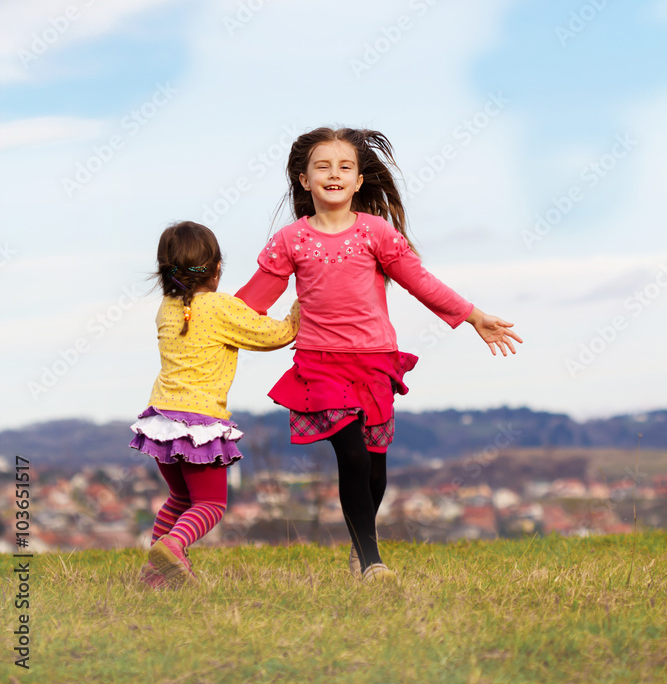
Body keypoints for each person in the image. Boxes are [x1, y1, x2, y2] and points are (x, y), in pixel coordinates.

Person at [235, 127, 522, 582]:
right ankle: (372, 562)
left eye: (344, 167)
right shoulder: (290, 240)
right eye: (322, 167)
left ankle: (360, 542)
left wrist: (472, 315)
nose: (334, 174)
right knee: (350, 455)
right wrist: (204, 319)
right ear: (304, 180)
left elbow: (420, 282)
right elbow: (251, 302)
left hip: (373, 361)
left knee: (373, 461)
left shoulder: (376, 233)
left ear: (359, 180)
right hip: (319, 363)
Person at [129, 220, 300, 588]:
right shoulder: (219, 308)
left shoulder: (166, 308)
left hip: (161, 420)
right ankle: (173, 546)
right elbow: (277, 336)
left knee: (178, 497)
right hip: (198, 425)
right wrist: (302, 307)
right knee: (211, 504)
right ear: (217, 268)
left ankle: (154, 574)